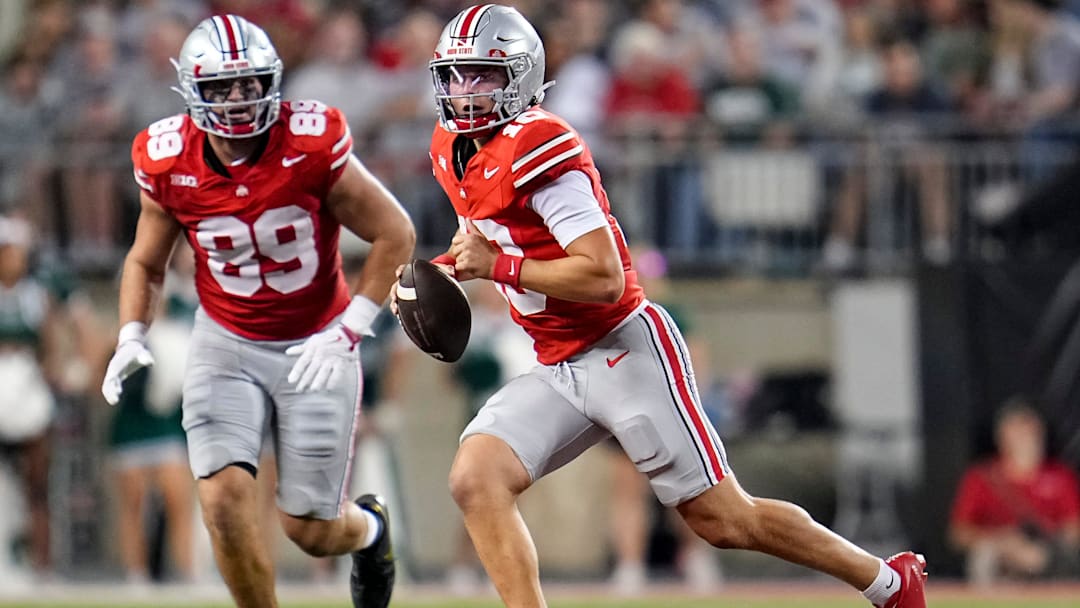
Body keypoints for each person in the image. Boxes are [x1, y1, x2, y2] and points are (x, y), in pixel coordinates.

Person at [400, 5, 928, 607]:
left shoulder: (539, 144)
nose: (466, 94)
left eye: (483, 77)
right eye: (456, 76)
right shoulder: (452, 145)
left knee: (727, 520)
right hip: (558, 361)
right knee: (476, 478)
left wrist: (498, 269)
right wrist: (436, 274)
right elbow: (487, 240)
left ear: (520, 79)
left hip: (623, 347)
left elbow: (601, 278)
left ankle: (889, 582)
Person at [100, 15, 415, 608]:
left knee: (311, 529)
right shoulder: (167, 158)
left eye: (250, 84)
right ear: (193, 90)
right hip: (226, 340)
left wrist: (351, 328)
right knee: (220, 501)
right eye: (222, 87)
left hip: (316, 341)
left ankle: (370, 532)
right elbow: (145, 262)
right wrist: (131, 332)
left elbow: (395, 232)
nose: (239, 99)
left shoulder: (310, 141)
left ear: (272, 80)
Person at [948, 399, 1080, 585]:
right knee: (984, 554)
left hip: (1047, 556)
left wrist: (1046, 546)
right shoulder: (982, 477)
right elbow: (959, 534)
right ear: (1002, 437)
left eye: (1030, 431)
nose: (1026, 438)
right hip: (1001, 557)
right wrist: (1005, 542)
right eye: (1018, 431)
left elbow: (1074, 529)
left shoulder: (1060, 476)